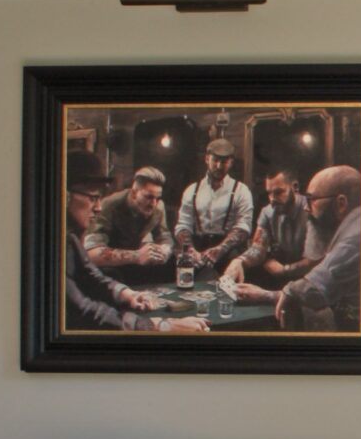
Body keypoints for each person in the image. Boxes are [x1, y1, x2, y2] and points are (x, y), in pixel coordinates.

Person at [232, 165, 361, 332]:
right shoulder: (268, 212)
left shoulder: (349, 231)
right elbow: (258, 247)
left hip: (312, 287)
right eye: (269, 193)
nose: (272, 199)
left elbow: (317, 268)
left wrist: (283, 272)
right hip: (301, 286)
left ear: (341, 203)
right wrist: (240, 261)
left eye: (278, 192)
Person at [65, 181, 206, 334]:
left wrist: (129, 294)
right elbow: (83, 310)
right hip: (116, 270)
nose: (98, 207)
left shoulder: (70, 238)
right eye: (92, 198)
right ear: (65, 196)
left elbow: (91, 275)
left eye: (157, 198)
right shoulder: (110, 205)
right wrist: (159, 326)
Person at [173, 139, 254, 273]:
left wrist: (221, 249)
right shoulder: (192, 190)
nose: (219, 166)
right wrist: (190, 250)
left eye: (224, 162)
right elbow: (183, 225)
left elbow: (243, 226)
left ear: (231, 162)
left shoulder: (241, 191)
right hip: (197, 250)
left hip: (229, 252)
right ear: (207, 159)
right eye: (215, 160)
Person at [84, 166, 173, 269]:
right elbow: (92, 253)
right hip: (107, 267)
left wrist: (164, 251)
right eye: (148, 197)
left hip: (135, 264)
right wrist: (137, 255)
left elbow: (164, 237)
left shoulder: (158, 207)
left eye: (157, 198)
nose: (153, 204)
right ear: (134, 193)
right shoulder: (109, 205)